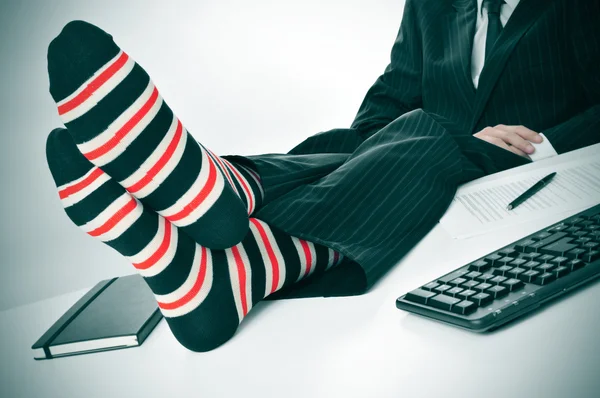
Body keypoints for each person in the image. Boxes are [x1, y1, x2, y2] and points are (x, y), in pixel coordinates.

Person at [44, 0, 599, 352]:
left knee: (423, 128)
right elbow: (390, 95)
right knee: (339, 142)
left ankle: (230, 229)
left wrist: (547, 144)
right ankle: (231, 213)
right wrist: (364, 151)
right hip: (422, 167)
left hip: (520, 171)